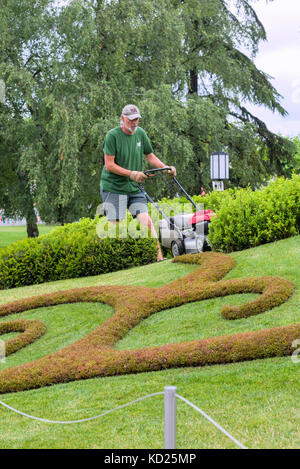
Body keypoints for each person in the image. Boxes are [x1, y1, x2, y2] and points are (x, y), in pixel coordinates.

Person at [100, 104, 176, 262]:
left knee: (147, 222)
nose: (135, 123)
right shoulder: (112, 136)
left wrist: (165, 168)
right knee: (117, 230)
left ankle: (159, 260)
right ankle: (119, 264)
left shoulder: (140, 133)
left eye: (137, 120)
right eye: (132, 120)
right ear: (123, 119)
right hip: (113, 188)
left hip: (133, 188)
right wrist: (131, 174)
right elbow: (109, 165)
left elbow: (149, 156)